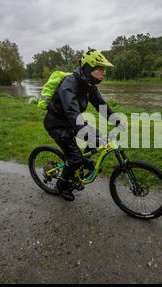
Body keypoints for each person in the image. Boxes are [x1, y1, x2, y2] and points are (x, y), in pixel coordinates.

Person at [43, 48, 121, 201]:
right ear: (88, 69)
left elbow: (101, 106)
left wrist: (116, 120)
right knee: (75, 157)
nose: (104, 73)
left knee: (98, 137)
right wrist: (86, 133)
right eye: (100, 69)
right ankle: (61, 186)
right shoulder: (69, 84)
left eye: (104, 69)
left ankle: (82, 163)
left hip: (72, 122)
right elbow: (72, 113)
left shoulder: (89, 85)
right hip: (57, 124)